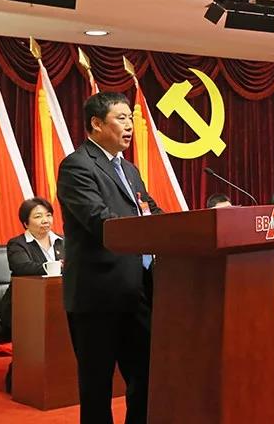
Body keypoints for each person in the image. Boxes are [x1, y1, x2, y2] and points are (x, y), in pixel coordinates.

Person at [57, 91, 163, 424]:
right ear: (97, 123)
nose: (130, 125)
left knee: (145, 379)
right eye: (121, 118)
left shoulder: (129, 170)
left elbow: (150, 210)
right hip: (98, 296)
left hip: (138, 292)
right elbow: (99, 220)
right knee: (97, 388)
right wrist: (148, 230)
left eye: (131, 118)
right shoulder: (77, 166)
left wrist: (177, 227)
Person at [0, 197, 64, 393]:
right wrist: (56, 266)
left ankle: (60, 379)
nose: (45, 220)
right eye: (38, 216)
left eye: (48, 215)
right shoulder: (17, 244)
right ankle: (20, 378)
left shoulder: (62, 242)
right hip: (21, 305)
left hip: (57, 302)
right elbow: (22, 267)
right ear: (26, 223)